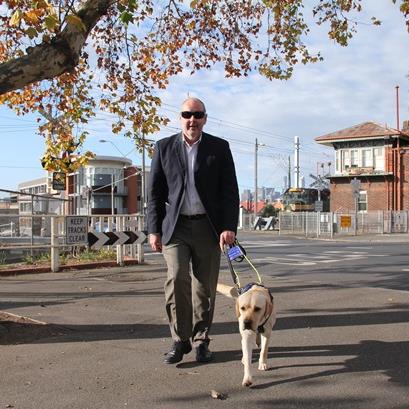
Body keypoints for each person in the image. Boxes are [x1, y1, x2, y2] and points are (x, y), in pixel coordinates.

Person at [147, 97, 239, 364]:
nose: (192, 120)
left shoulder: (219, 148)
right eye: (187, 114)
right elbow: (154, 194)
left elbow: (229, 192)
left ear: (205, 119)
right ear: (180, 118)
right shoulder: (164, 147)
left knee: (204, 288)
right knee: (176, 278)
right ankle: (180, 340)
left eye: (198, 115)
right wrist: (154, 229)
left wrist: (228, 227)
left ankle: (201, 341)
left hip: (209, 228)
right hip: (175, 228)